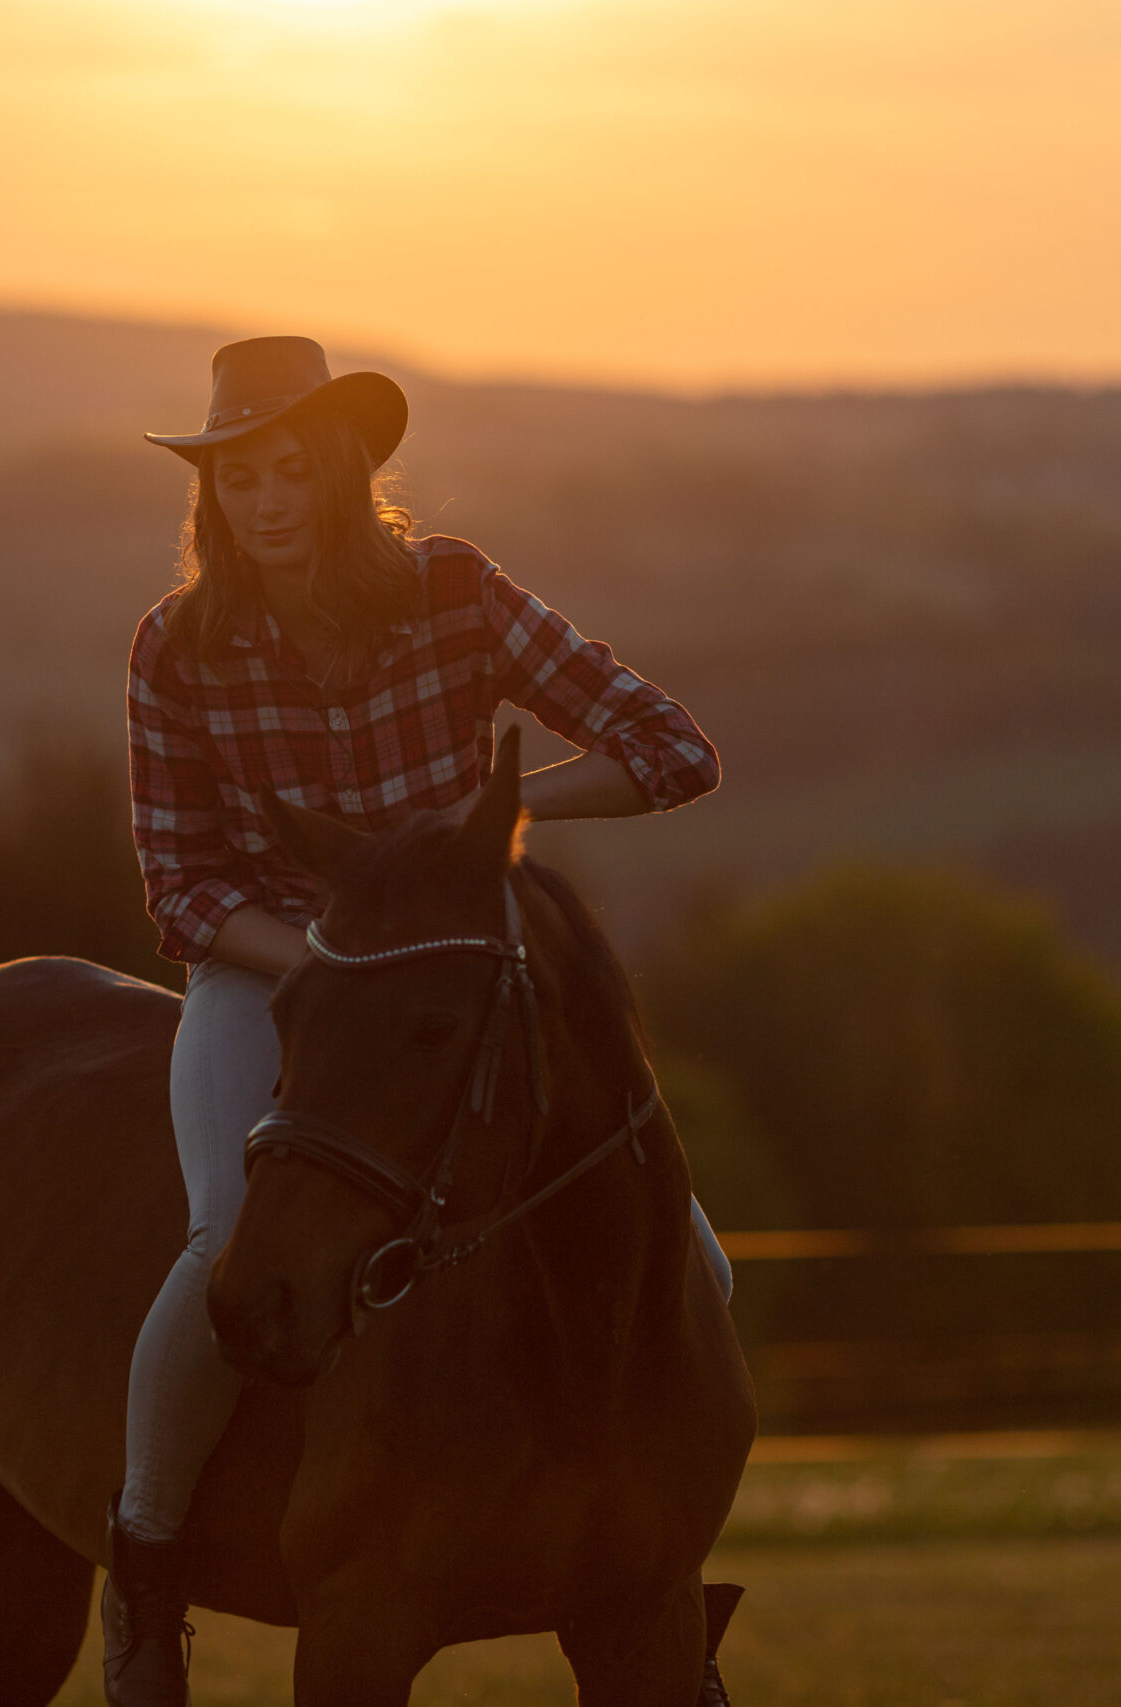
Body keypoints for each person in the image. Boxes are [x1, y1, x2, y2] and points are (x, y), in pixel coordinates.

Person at [109, 336, 733, 1706]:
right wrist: (333, 960)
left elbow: (671, 751)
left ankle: (664, 1568)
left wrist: (495, 819)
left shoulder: (453, 591)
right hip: (275, 969)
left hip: (463, 971)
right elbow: (180, 887)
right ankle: (146, 1561)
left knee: (699, 1264)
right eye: (237, 477)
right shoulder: (177, 649)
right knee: (225, 1243)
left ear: (340, 471)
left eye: (287, 470)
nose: (264, 501)